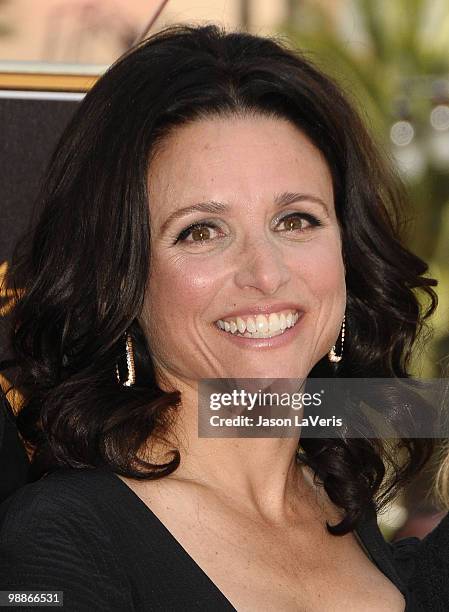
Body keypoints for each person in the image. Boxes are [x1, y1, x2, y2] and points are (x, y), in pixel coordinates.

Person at [0, 23, 438, 611]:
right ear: (121, 281)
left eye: (296, 220)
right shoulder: (62, 538)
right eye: (201, 231)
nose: (265, 273)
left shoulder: (347, 509)